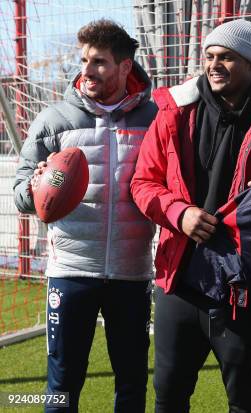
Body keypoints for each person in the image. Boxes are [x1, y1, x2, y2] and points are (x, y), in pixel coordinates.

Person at [130, 19, 251, 413]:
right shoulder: (173, 114)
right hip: (178, 277)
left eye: (227, 57)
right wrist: (180, 213)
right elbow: (143, 183)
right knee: (168, 394)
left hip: (240, 283)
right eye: (210, 56)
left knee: (243, 396)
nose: (215, 64)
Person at [13, 20, 157, 413]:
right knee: (62, 383)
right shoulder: (54, 119)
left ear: (126, 67)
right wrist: (36, 188)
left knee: (131, 382)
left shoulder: (155, 119)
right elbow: (19, 193)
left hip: (132, 272)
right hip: (70, 270)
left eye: (99, 62)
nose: (87, 70)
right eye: (83, 61)